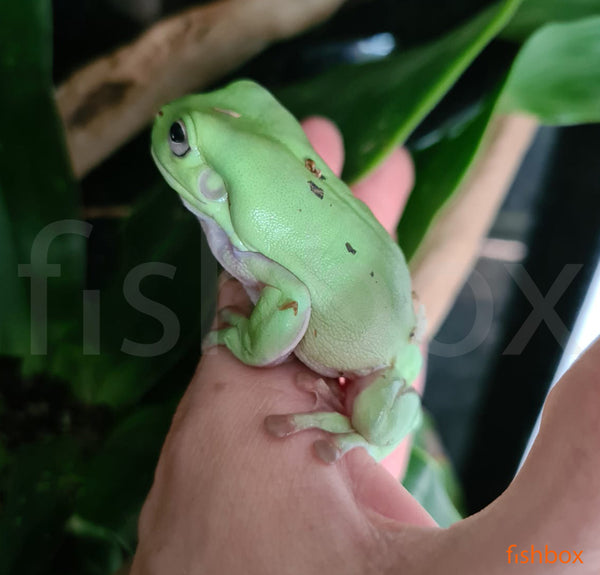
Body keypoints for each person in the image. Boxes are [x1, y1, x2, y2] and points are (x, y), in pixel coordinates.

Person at [131, 118, 600, 574]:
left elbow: (291, 303)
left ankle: (363, 421)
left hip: (375, 360)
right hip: (385, 303)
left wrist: (249, 343)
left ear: (212, 183)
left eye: (179, 139)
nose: (162, 124)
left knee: (373, 414)